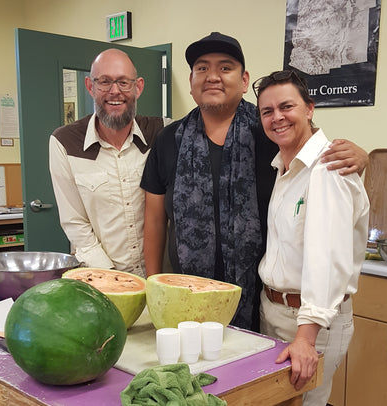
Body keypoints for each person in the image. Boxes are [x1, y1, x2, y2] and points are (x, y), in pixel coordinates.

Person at [141, 32, 368, 330]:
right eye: (202, 68)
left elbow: (316, 160)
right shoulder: (169, 140)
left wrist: (363, 157)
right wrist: (154, 285)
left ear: (244, 79)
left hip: (259, 302)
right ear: (191, 81)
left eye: (225, 67)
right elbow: (155, 219)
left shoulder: (271, 132)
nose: (212, 76)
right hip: (186, 295)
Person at [253, 70, 369, 405]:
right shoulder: (283, 167)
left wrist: (307, 335)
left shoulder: (328, 168)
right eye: (267, 111)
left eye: (286, 106)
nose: (277, 117)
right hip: (274, 312)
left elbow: (327, 257)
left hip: (309, 323)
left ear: (309, 109)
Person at [49, 48, 169, 276]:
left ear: (139, 86)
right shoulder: (64, 142)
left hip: (163, 280)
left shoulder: (163, 133)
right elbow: (75, 223)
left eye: (124, 82)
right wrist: (114, 278)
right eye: (104, 82)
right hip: (104, 280)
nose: (115, 92)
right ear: (90, 86)